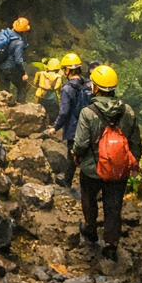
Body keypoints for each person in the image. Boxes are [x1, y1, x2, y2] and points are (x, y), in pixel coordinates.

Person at [72, 64, 142, 261]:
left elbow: (81, 143)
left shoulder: (88, 112)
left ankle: (91, 229)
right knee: (113, 206)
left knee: (89, 197)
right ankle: (111, 244)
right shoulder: (127, 111)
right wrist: (134, 161)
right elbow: (135, 141)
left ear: (95, 87)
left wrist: (76, 155)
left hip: (92, 168)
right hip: (119, 168)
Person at [47, 53, 90, 187]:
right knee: (87, 155)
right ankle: (87, 184)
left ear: (67, 70)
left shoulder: (67, 89)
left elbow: (64, 112)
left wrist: (55, 127)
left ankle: (67, 182)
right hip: (88, 126)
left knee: (71, 155)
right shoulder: (88, 84)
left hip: (73, 127)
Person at [0, 17, 31, 102]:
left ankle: (2, 106)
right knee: (22, 85)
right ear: (23, 30)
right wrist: (23, 73)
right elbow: (18, 60)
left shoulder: (4, 33)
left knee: (4, 88)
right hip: (10, 68)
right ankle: (21, 106)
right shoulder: (19, 42)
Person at [33, 57, 63, 123]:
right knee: (53, 114)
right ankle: (51, 125)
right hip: (52, 98)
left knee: (39, 112)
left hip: (40, 95)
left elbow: (35, 83)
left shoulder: (40, 74)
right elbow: (57, 87)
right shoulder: (58, 77)